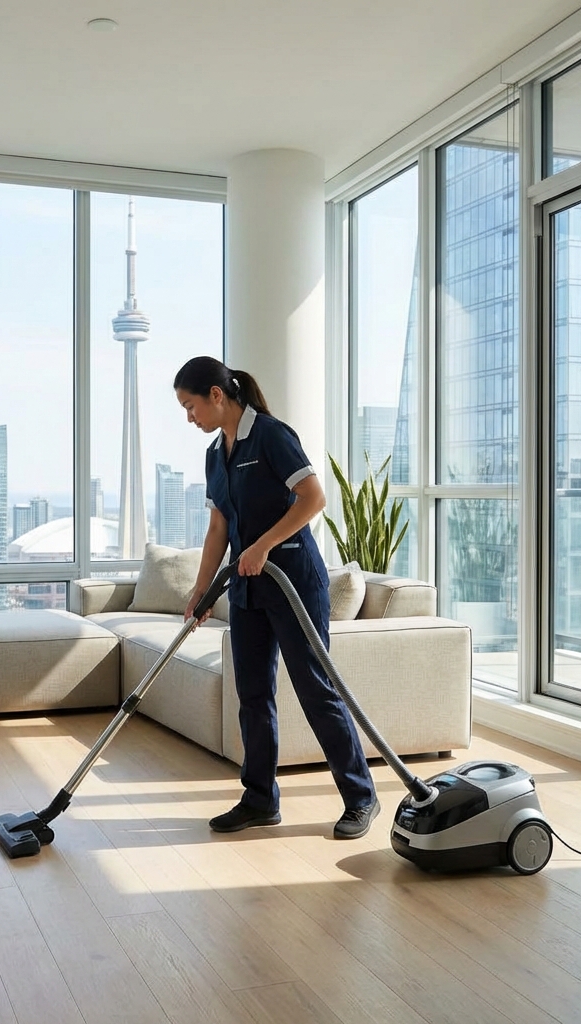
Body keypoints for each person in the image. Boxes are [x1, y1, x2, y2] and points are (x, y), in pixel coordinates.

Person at [174, 355, 380, 840]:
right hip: (246, 588)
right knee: (252, 694)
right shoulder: (214, 454)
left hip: (293, 582)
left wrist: (264, 544)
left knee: (315, 690)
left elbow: (313, 498)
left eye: (190, 406)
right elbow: (218, 526)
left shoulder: (271, 435)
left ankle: (360, 797)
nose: (189, 417)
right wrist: (201, 590)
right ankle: (260, 799)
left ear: (218, 396)